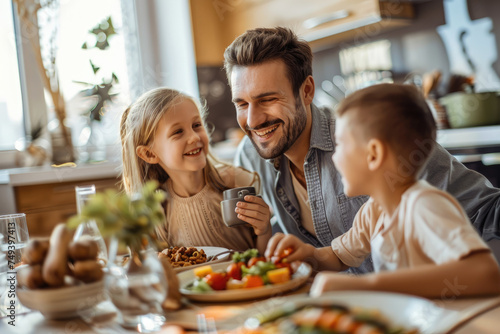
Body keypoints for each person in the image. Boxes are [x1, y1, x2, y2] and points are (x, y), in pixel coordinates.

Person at [224, 27, 500, 273]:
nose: (252, 121)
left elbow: (486, 215)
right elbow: (334, 255)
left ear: (306, 91)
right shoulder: (250, 156)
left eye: (268, 99)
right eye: (242, 104)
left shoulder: (373, 135)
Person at [264, 83, 500, 298]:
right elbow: (338, 256)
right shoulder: (373, 212)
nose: (334, 158)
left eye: (341, 145)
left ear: (374, 154)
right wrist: (309, 255)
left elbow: (486, 273)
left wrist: (366, 285)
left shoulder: (423, 204)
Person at [120, 87, 272, 253]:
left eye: (196, 125)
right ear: (149, 154)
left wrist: (264, 230)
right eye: (178, 132)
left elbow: (264, 258)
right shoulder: (159, 209)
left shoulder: (235, 182)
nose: (194, 137)